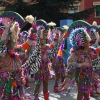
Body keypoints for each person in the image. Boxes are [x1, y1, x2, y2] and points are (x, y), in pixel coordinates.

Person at [64, 20, 98, 100]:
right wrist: (80, 64)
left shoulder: (91, 50)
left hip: (89, 74)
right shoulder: (76, 52)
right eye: (83, 42)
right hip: (80, 75)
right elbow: (70, 62)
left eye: (86, 41)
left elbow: (96, 59)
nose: (86, 44)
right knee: (81, 92)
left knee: (87, 93)